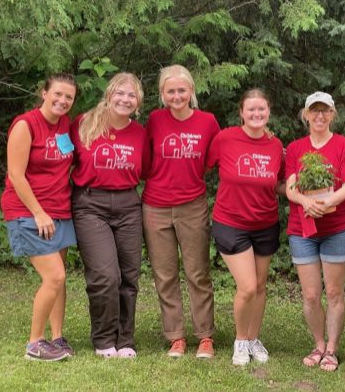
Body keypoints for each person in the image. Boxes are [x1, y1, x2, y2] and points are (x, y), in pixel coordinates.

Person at [143, 65, 219, 359]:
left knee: (197, 273)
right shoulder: (155, 119)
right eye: (170, 91)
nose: (177, 96)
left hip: (192, 205)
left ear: (191, 91)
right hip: (155, 206)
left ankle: (205, 336)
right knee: (165, 274)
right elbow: (146, 157)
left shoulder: (208, 122)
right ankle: (176, 336)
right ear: (162, 94)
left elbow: (212, 159)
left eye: (181, 90)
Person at [70, 72, 148, 358]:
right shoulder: (82, 124)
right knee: (105, 275)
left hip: (128, 204)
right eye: (121, 93)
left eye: (131, 95)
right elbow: (61, 159)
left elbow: (148, 169)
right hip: (91, 204)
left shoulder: (140, 133)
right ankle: (104, 339)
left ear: (137, 102)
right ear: (110, 94)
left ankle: (125, 339)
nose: (125, 99)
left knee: (129, 276)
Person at [1, 73, 77, 361]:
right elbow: (16, 175)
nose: (62, 100)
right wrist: (38, 213)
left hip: (60, 210)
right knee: (54, 276)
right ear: (44, 93)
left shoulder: (66, 124)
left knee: (60, 278)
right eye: (57, 94)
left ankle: (57, 338)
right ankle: (35, 343)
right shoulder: (25, 124)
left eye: (69, 97)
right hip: (30, 212)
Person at [207, 88, 285, 366]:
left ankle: (253, 338)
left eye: (261, 109)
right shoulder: (225, 138)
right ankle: (240, 340)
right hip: (231, 222)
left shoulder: (276, 146)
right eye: (250, 109)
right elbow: (202, 166)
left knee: (261, 285)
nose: (256, 114)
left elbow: (280, 183)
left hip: (266, 222)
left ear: (268, 112)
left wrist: (312, 193)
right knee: (248, 286)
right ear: (241, 112)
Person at [285, 92, 345, 372]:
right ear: (306, 115)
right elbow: (291, 186)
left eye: (325, 111)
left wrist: (324, 204)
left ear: (333, 114)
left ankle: (332, 349)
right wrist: (306, 202)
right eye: (314, 111)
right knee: (312, 294)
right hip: (302, 229)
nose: (319, 116)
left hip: (337, 228)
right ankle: (318, 343)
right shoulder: (295, 148)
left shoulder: (344, 145)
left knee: (335, 293)